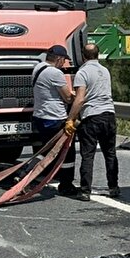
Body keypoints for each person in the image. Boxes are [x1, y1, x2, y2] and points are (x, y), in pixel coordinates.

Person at [65, 43, 119, 198]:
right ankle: (113, 187)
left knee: (88, 155)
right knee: (110, 153)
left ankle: (85, 190)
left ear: (83, 56)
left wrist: (71, 119)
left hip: (92, 116)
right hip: (109, 115)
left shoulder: (82, 73)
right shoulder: (105, 71)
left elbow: (80, 99)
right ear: (98, 54)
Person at [31, 45, 81, 199]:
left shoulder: (38, 68)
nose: (64, 64)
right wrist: (79, 99)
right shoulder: (55, 73)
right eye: (64, 60)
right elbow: (66, 97)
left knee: (46, 149)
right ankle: (66, 185)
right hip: (55, 117)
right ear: (58, 59)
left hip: (40, 115)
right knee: (68, 152)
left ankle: (26, 175)